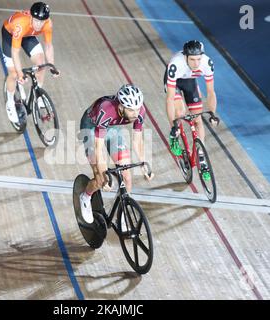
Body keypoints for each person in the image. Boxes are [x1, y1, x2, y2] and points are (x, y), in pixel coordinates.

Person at [79, 84, 154, 224]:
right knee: (101, 179)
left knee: (127, 177)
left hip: (112, 129)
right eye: (131, 110)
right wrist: (103, 173)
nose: (135, 113)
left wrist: (143, 163)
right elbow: (98, 148)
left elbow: (137, 140)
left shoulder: (140, 111)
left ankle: (123, 211)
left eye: (137, 108)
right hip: (91, 128)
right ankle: (85, 197)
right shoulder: (105, 110)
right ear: (121, 107)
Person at [164, 40, 219, 180]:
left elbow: (211, 92)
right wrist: (173, 124)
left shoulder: (207, 63)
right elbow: (170, 98)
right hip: (175, 83)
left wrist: (212, 113)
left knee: (197, 119)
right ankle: (174, 136)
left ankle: (201, 157)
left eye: (198, 59)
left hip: (190, 83)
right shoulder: (176, 64)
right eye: (192, 59)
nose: (196, 63)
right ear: (185, 56)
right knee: (180, 112)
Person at [1, 2, 59, 123]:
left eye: (42, 21)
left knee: (41, 64)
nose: (39, 25)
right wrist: (20, 74)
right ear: (31, 17)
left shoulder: (47, 24)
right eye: (36, 21)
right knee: (13, 74)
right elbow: (15, 52)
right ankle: (10, 103)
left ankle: (37, 96)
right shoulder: (20, 24)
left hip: (28, 35)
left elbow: (48, 46)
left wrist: (52, 66)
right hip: (10, 35)